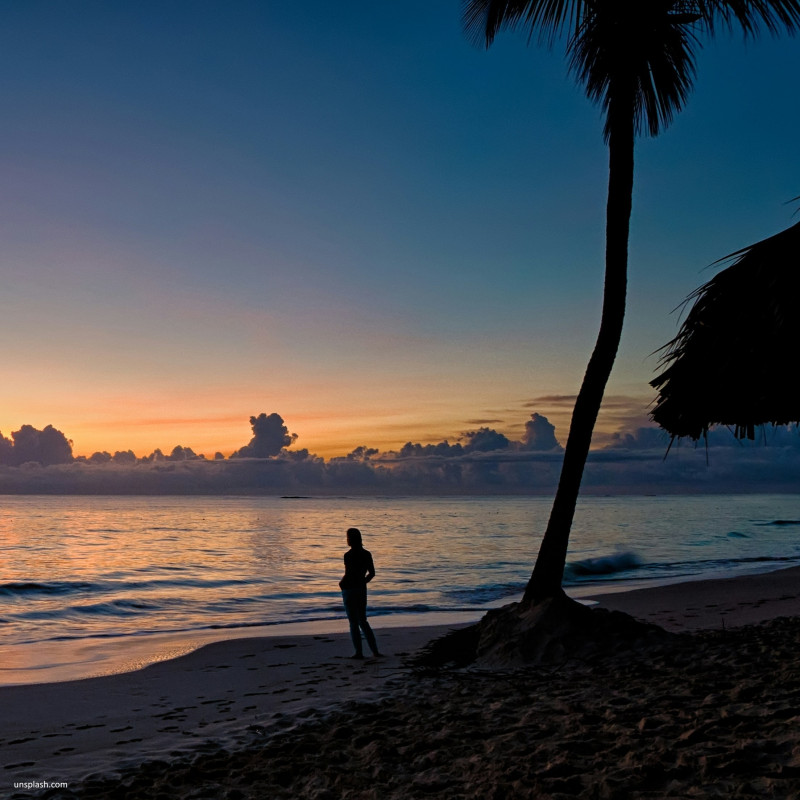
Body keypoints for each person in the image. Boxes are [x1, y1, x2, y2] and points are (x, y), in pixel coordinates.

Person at [338, 527, 381, 659]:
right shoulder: (366, 554)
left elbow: (348, 574)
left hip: (349, 589)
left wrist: (342, 583)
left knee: (353, 622)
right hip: (361, 589)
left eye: (348, 538)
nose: (347, 540)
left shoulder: (348, 555)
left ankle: (359, 652)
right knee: (363, 620)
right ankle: (375, 651)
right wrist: (363, 582)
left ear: (351, 539)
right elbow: (372, 573)